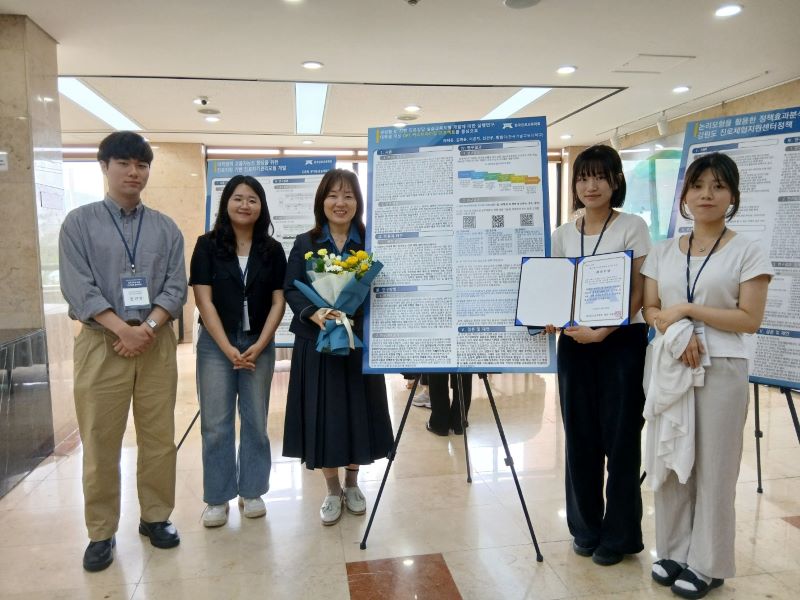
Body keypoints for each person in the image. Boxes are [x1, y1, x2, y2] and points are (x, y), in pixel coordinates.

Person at [642, 152, 772, 599]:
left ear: (733, 195)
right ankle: (673, 550)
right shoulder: (663, 251)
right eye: (698, 186)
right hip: (672, 363)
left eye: (718, 186)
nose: (707, 195)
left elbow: (749, 319)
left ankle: (708, 563)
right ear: (685, 195)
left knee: (716, 467)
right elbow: (651, 308)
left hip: (722, 368)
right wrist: (677, 330)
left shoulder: (747, 250)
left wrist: (688, 310)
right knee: (672, 460)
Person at [58, 131, 187, 572]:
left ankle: (156, 517)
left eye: (142, 165)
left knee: (158, 437)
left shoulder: (165, 228)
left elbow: (175, 286)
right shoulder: (79, 223)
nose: (134, 172)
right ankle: (101, 532)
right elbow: (78, 286)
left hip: (155, 343)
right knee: (100, 440)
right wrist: (121, 329)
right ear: (104, 166)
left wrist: (146, 328)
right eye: (124, 164)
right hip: (101, 343)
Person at [544, 144, 651, 566]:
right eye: (583, 177)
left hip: (622, 343)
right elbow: (556, 288)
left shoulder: (632, 226)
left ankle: (620, 536)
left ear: (616, 181)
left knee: (621, 440)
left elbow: (640, 290)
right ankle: (585, 528)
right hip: (574, 344)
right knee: (580, 439)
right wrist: (552, 317)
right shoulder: (562, 235)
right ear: (575, 184)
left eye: (600, 177)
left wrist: (604, 331)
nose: (591, 186)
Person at [283, 169, 394, 526]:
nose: (340, 202)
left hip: (358, 342)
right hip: (317, 343)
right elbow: (291, 287)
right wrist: (314, 312)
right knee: (324, 415)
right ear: (322, 201)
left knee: (357, 413)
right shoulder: (305, 242)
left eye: (348, 195)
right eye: (333, 195)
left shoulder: (369, 242)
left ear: (358, 202)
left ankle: (353, 483)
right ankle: (332, 489)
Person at [190, 175, 287, 527]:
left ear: (261, 206)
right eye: (238, 198)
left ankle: (252, 490)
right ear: (226, 203)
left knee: (256, 420)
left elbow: (279, 301)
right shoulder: (207, 245)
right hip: (216, 344)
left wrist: (260, 344)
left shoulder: (271, 250)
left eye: (252, 199)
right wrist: (227, 347)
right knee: (216, 423)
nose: (245, 205)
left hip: (259, 341)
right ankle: (217, 498)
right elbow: (203, 300)